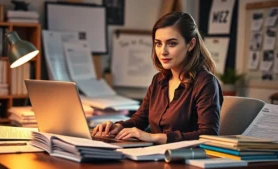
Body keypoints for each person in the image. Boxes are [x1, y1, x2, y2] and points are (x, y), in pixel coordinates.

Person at [92, 12, 223, 144]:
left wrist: (154, 137)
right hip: (154, 155)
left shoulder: (205, 82)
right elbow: (140, 119)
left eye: (172, 44)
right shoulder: (159, 80)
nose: (162, 51)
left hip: (184, 160)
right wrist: (118, 126)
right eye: (158, 43)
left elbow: (209, 134)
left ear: (191, 44)